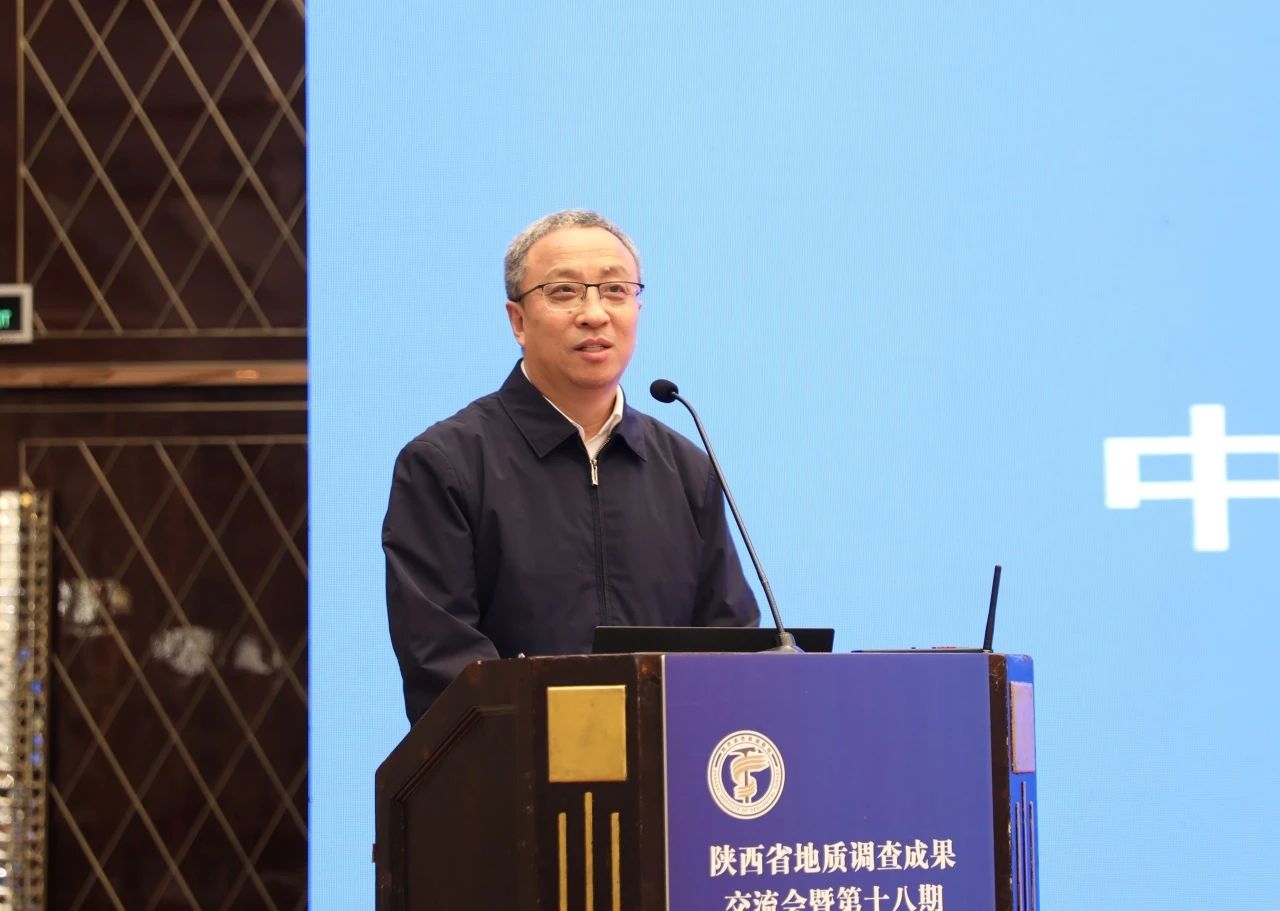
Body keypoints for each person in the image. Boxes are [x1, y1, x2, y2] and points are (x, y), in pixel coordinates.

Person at [383, 209, 759, 723]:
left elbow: (731, 645)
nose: (594, 314)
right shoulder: (446, 465)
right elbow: (443, 666)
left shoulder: (686, 469)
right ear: (518, 321)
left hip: (672, 765)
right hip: (519, 766)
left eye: (615, 290)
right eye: (565, 292)